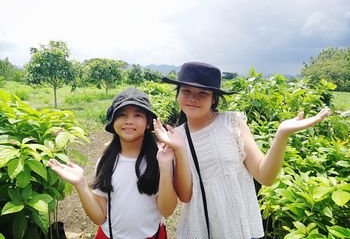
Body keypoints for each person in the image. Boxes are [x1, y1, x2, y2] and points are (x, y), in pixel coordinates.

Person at [161, 62, 331, 239]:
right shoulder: (175, 138)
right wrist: (179, 151)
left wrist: (282, 134)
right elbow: (185, 196)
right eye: (186, 91)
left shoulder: (232, 123)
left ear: (214, 99)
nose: (193, 98)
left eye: (202, 93)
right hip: (199, 230)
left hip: (240, 228)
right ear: (178, 94)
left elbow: (265, 176)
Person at [48, 87, 180, 239]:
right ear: (113, 122)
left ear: (148, 123)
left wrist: (165, 167)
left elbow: (167, 211)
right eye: (122, 115)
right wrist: (80, 184)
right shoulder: (106, 163)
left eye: (137, 115)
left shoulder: (159, 159)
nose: (129, 121)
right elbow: (99, 217)